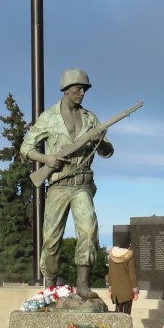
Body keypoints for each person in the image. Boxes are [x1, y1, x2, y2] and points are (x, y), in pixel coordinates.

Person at [21, 68, 114, 296]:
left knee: (88, 230)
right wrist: (47, 159)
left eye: (84, 89)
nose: (81, 92)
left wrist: (98, 140)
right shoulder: (49, 118)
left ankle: (82, 284)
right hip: (59, 184)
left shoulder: (90, 119)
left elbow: (107, 151)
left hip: (82, 184)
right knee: (51, 239)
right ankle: (50, 286)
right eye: (77, 88)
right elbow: (26, 148)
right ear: (65, 90)